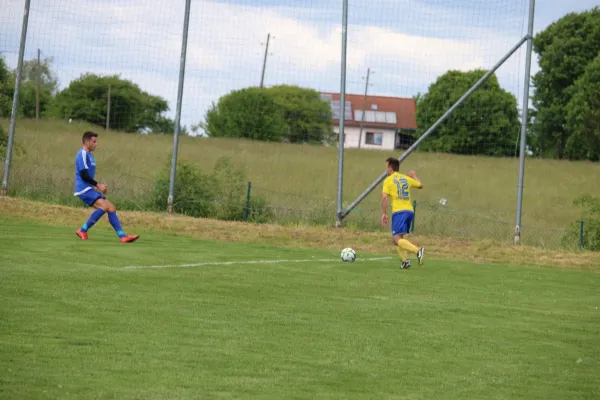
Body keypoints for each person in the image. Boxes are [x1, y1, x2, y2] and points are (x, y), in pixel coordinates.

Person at [74, 131, 139, 243]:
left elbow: (88, 174)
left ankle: (122, 236)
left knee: (111, 208)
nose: (96, 144)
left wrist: (93, 185)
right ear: (87, 141)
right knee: (104, 207)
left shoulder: (90, 155)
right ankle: (83, 230)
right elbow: (83, 174)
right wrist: (97, 185)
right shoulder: (82, 154)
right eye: (94, 142)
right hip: (83, 189)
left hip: (88, 188)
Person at [381, 157, 424, 269]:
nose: (386, 170)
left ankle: (418, 250)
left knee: (396, 239)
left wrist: (384, 213)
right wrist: (413, 175)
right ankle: (405, 261)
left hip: (399, 212)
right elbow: (420, 185)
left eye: (386, 167)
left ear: (390, 168)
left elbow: (384, 197)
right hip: (409, 211)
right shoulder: (405, 178)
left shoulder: (388, 180)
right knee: (398, 239)